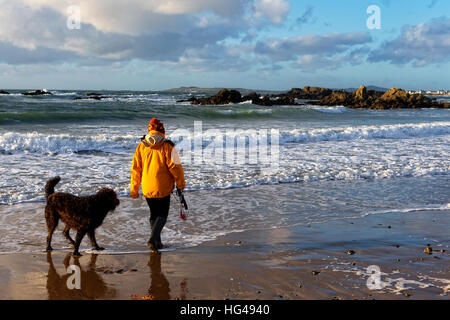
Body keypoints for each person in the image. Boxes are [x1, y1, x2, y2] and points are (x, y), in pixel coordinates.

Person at [131, 118, 185, 251]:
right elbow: (176, 167)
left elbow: (135, 169)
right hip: (163, 187)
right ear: (162, 130)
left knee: (153, 214)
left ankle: (157, 244)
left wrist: (134, 189)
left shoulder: (142, 146)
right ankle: (152, 239)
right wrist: (180, 184)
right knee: (162, 215)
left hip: (147, 187)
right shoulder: (167, 145)